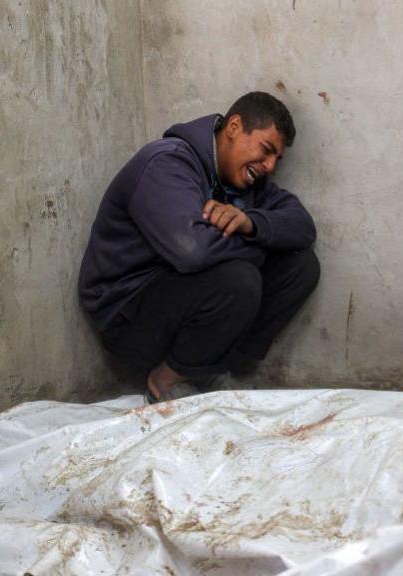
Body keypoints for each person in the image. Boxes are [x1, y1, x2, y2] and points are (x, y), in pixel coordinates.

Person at [79, 92, 320, 403]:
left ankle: (216, 369)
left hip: (182, 301)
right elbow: (191, 251)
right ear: (234, 127)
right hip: (126, 314)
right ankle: (164, 381)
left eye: (277, 159)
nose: (270, 166)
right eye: (266, 150)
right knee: (240, 278)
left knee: (300, 266)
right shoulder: (166, 163)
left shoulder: (245, 184)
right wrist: (256, 247)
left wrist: (250, 221)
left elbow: (302, 226)